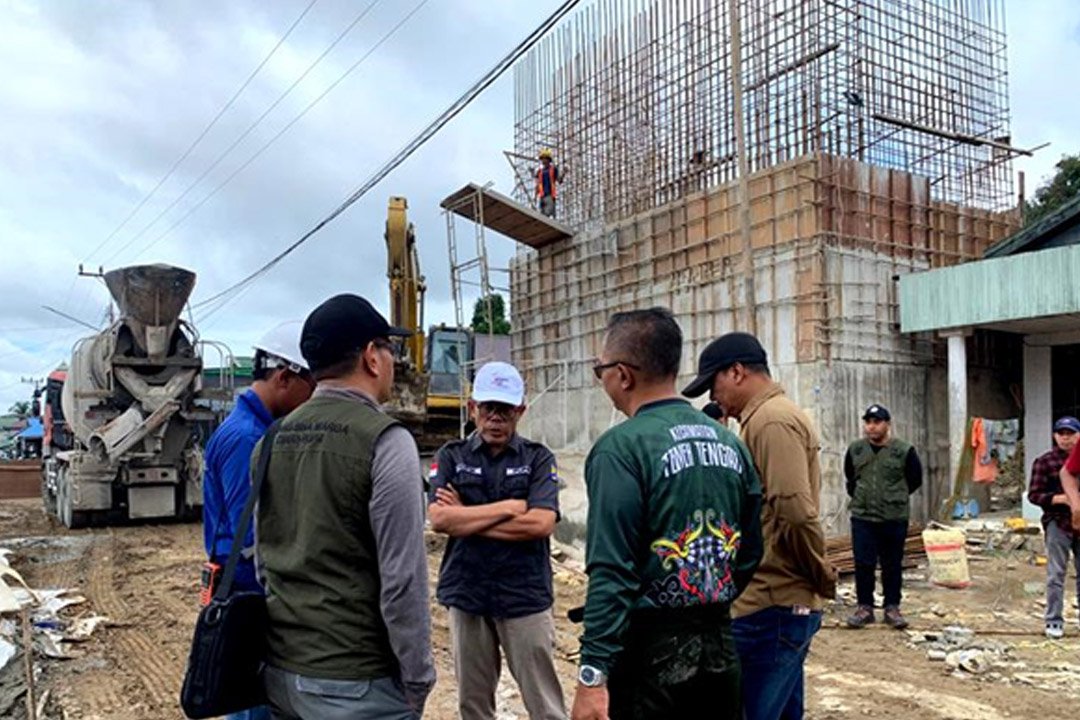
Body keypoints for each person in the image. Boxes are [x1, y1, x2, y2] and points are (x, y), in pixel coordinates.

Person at [571, 308, 763, 720]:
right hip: (719, 651)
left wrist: (592, 675)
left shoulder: (621, 449)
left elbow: (612, 572)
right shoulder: (730, 445)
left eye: (599, 370)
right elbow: (749, 554)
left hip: (648, 663)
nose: (600, 379)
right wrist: (708, 599)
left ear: (623, 375)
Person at [256, 294, 435, 719]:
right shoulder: (387, 442)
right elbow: (403, 581)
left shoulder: (271, 440)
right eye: (390, 349)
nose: (394, 362)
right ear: (372, 357)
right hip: (356, 684)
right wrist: (418, 678)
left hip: (281, 673)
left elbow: (265, 560)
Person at [682, 331, 835, 720]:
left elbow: (795, 512)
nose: (713, 400)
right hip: (776, 602)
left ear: (736, 372)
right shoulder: (765, 419)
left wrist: (818, 573)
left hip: (772, 602)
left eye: (713, 386)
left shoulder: (770, 421)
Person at [428, 361, 565, 720]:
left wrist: (467, 519)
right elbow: (441, 518)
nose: (496, 418)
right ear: (473, 409)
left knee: (546, 705)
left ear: (520, 410)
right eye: (488, 408)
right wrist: (507, 508)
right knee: (473, 705)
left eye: (505, 409)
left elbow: (540, 523)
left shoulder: (538, 458)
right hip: (467, 593)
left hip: (524, 595)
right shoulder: (451, 456)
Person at [202, 322, 314, 720]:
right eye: (311, 386)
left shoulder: (257, 430)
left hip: (250, 586)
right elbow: (251, 532)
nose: (313, 398)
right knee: (254, 706)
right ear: (285, 376)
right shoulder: (246, 438)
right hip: (248, 588)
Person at [842, 404, 923, 630]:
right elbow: (850, 478)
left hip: (893, 517)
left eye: (877, 422)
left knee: (892, 563)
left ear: (887, 424)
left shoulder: (904, 450)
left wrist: (892, 496)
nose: (871, 427)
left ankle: (892, 607)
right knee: (863, 563)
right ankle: (864, 607)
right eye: (868, 422)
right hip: (863, 516)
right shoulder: (856, 450)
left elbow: (914, 480)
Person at [1030, 416, 1080, 639]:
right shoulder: (1045, 462)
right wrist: (1060, 499)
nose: (1066, 438)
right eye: (1062, 434)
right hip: (1058, 522)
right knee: (1056, 574)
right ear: (1055, 436)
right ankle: (1053, 621)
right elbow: (1034, 494)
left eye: (1071, 433)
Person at [536, 148, 562, 218]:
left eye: (545, 159)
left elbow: (559, 181)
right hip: (542, 196)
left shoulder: (553, 169)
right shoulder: (540, 171)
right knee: (542, 216)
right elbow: (538, 184)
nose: (543, 161)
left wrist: (564, 173)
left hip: (549, 195)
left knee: (548, 212)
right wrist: (535, 197)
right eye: (542, 159)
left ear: (549, 160)